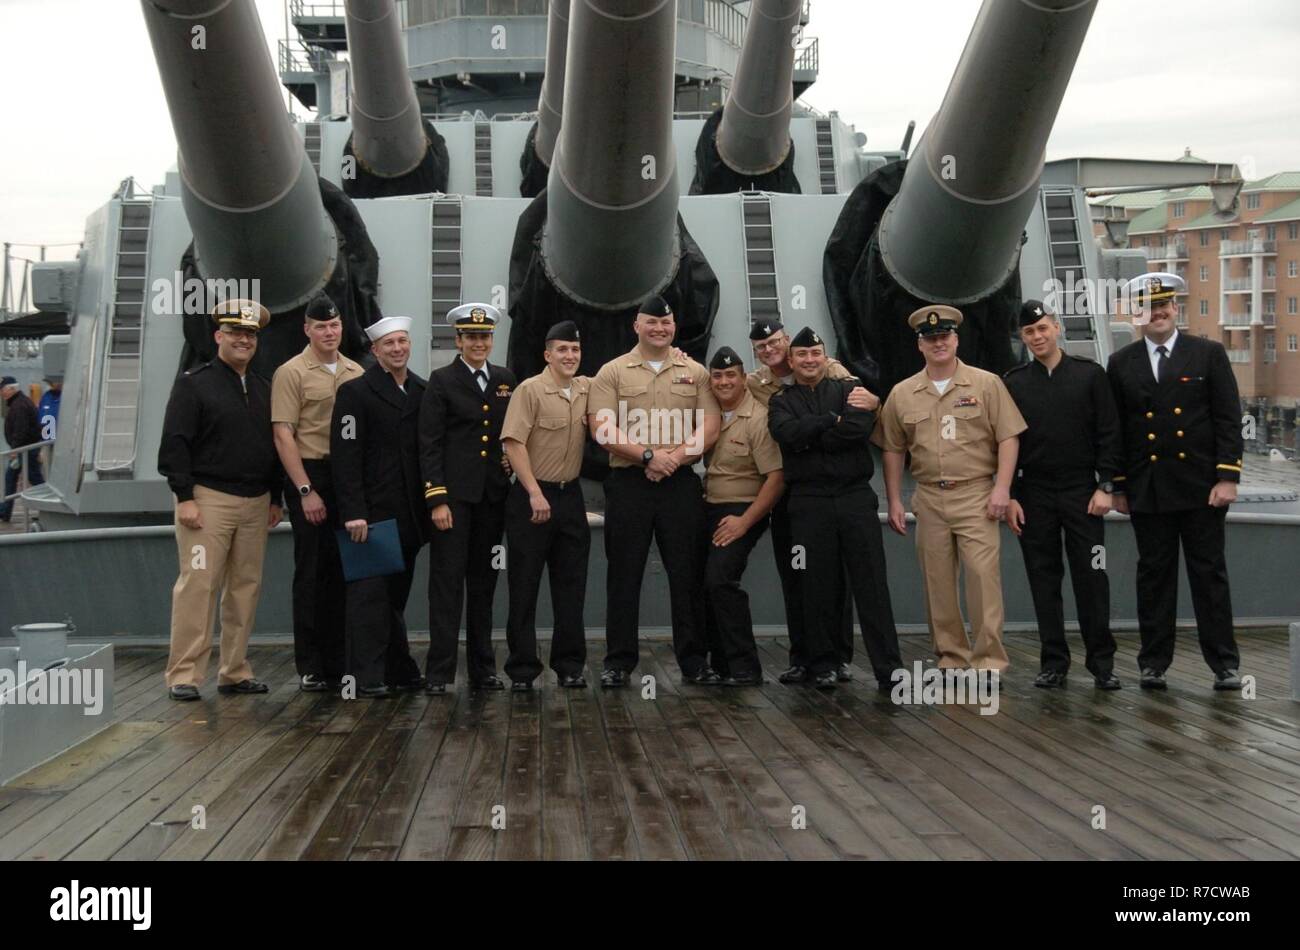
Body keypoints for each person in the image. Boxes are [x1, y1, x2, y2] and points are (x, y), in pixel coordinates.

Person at [1107, 272, 1245, 691]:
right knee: (1154, 577)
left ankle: (1224, 663)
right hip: (1149, 489)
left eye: (1164, 304)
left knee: (1209, 576)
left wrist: (1228, 477)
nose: (1159, 312)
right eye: (1149, 307)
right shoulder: (1122, 362)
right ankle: (1153, 662)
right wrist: (1117, 485)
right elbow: (1117, 430)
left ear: (1174, 308)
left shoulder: (1207, 354)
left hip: (1201, 487)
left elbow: (1227, 419)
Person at [874, 305, 1025, 673]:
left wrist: (1002, 489)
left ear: (956, 340)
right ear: (920, 346)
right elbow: (893, 448)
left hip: (976, 494)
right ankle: (952, 659)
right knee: (937, 584)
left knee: (982, 581)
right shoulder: (903, 392)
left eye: (944, 336)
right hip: (928, 496)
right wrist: (894, 499)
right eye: (930, 339)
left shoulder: (986, 384)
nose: (938, 343)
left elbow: (1008, 437)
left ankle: (989, 662)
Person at [587, 295, 721, 686]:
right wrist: (648, 456)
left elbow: (709, 427)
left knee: (687, 574)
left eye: (666, 323)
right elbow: (602, 428)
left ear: (673, 327)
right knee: (624, 575)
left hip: (679, 484)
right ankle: (618, 663)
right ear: (637, 325)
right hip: (630, 483)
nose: (660, 329)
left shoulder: (694, 372)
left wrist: (674, 459)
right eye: (652, 323)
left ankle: (695, 662)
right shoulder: (611, 372)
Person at [157, 300, 283, 701]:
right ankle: (184, 675)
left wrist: (275, 497)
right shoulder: (194, 383)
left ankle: (234, 671)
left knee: (245, 587)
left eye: (250, 334)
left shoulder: (265, 388)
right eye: (235, 333)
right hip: (208, 502)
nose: (244, 340)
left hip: (256, 501)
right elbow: (175, 443)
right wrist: (184, 497)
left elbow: (275, 447)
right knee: (198, 585)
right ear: (218, 337)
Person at [768, 328, 903, 690]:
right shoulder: (781, 400)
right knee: (815, 583)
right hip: (808, 503)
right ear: (791, 361)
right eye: (802, 355)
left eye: (815, 353)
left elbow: (857, 430)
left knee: (871, 583)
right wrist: (832, 421)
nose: (809, 360)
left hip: (854, 497)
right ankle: (823, 663)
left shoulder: (851, 390)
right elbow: (787, 435)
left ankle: (888, 669)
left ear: (825, 357)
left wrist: (815, 432)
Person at [1003, 300, 1123, 690]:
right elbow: (1006, 442)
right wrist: (1012, 495)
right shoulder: (1014, 383)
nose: (1037, 337)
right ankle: (1054, 662)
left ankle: (1102, 663)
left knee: (1092, 577)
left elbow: (1110, 432)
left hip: (1082, 493)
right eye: (1029, 332)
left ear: (1056, 329)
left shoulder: (1090, 376)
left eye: (1042, 329)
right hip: (1034, 493)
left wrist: (1106, 485)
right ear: (1023, 338)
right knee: (1044, 579)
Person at [747, 320, 867, 680]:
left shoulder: (829, 369)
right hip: (787, 494)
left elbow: (858, 408)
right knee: (796, 572)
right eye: (761, 348)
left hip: (822, 487)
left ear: (786, 341)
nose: (770, 351)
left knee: (834, 577)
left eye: (773, 343)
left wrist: (871, 400)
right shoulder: (757, 383)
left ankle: (838, 655)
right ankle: (803, 656)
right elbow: (719, 385)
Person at [419, 303, 516, 693]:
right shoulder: (441, 381)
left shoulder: (506, 378)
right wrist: (437, 499)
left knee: (484, 585)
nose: (479, 343)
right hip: (454, 502)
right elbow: (429, 443)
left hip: (491, 500)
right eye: (472, 336)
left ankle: (483, 669)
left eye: (485, 336)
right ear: (458, 340)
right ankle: (440, 672)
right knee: (446, 585)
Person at [330, 315, 428, 698]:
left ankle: (397, 667)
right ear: (375, 351)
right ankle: (365, 675)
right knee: (369, 597)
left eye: (402, 341)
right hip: (371, 515)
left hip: (409, 516)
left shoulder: (422, 390)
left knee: (395, 597)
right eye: (389, 344)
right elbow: (345, 455)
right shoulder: (355, 393)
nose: (398, 349)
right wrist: (353, 510)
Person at [271, 293, 364, 692]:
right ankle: (311, 663)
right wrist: (304, 490)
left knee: (349, 570)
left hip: (347, 475)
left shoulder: (355, 371)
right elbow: (283, 433)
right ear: (307, 329)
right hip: (311, 473)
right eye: (321, 326)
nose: (329, 332)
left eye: (335, 325)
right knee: (311, 570)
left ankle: (343, 657)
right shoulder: (291, 373)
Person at [500, 320, 592, 690]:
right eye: (562, 350)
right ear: (547, 355)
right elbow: (512, 443)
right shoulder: (530, 390)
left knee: (572, 586)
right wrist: (534, 492)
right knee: (524, 586)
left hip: (571, 497)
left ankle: (569, 665)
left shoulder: (587, 388)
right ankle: (522, 670)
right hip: (531, 496)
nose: (570, 356)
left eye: (575, 350)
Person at [700, 346, 784, 686]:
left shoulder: (758, 419)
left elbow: (776, 478)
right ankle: (721, 665)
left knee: (721, 580)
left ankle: (746, 668)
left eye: (730, 375)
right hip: (710, 506)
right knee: (705, 584)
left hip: (742, 507)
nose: (723, 382)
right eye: (717, 376)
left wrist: (744, 522)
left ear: (743, 378)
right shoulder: (710, 415)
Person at [1, 376, 45, 523]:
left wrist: (14, 450)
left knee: (35, 479)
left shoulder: (19, 405)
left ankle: (48, 508)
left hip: (25, 451)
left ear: (12, 389)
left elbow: (21, 430)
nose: (2, 393)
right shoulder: (20, 402)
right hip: (24, 450)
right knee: (12, 478)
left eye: (3, 390)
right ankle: (5, 511)